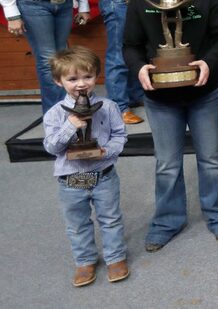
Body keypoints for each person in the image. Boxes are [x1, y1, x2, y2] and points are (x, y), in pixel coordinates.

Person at [124, 0, 218, 253]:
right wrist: (139, 68)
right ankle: (167, 221)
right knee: (167, 164)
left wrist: (208, 63)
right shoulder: (140, 3)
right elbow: (130, 46)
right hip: (161, 99)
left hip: (204, 93)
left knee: (212, 159)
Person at [42, 46, 128, 287]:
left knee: (110, 219)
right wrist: (70, 126)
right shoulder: (54, 114)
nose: (81, 84)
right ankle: (85, 261)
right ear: (58, 81)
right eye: (72, 79)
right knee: (77, 224)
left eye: (87, 77)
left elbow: (120, 136)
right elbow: (51, 147)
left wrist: (105, 152)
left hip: (103, 175)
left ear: (96, 76)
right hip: (71, 180)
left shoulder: (109, 107)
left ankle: (115, 257)